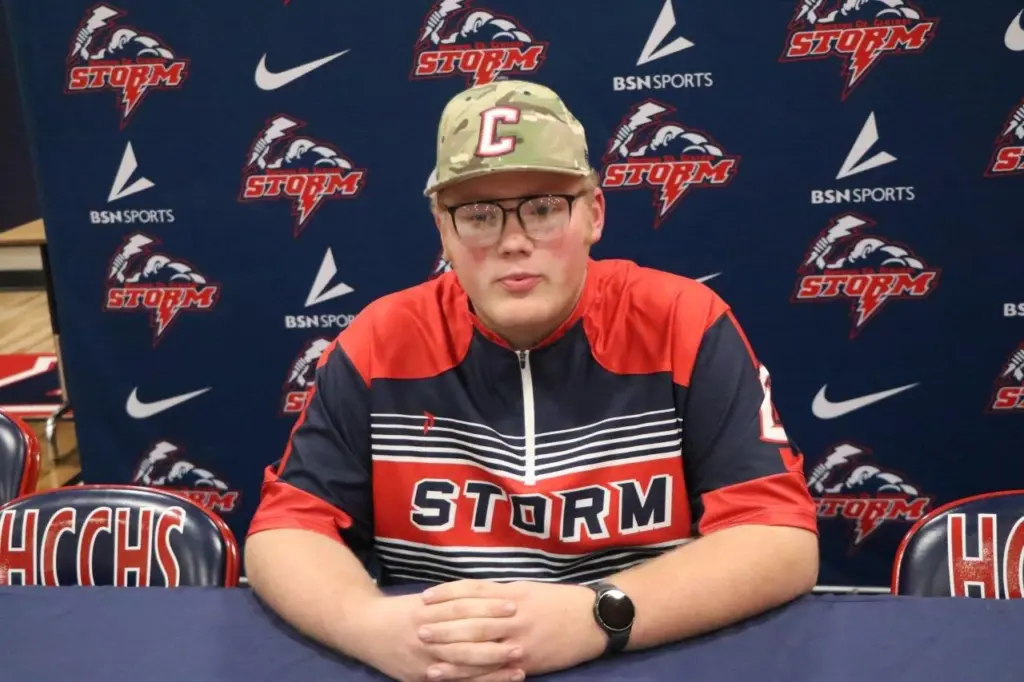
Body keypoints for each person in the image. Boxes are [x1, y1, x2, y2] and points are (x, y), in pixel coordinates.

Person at [244, 79, 820, 682]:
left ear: (593, 213)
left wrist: (599, 615)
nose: (514, 242)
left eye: (544, 208)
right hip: (441, 667)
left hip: (644, 655)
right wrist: (368, 625)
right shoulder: (380, 341)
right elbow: (286, 530)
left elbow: (778, 536)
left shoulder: (684, 322)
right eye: (478, 215)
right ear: (443, 230)